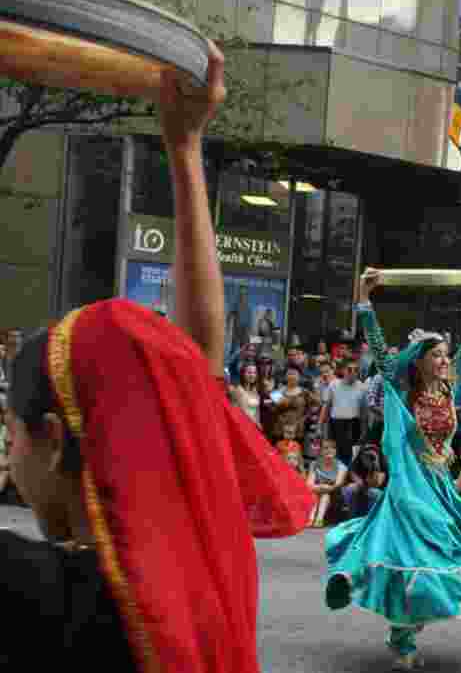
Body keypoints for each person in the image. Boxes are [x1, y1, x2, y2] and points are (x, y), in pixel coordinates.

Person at [0, 43, 313, 671]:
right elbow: (193, 362)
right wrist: (185, 149)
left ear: (53, 439)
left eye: (11, 435)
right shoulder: (194, 584)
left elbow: (193, 364)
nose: (9, 460)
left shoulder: (32, 593)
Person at [324, 264, 461, 671]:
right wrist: (363, 300)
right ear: (421, 359)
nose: (446, 361)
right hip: (409, 485)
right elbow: (376, 343)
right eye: (438, 355)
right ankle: (405, 638)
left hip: (440, 482)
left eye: (447, 355)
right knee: (411, 550)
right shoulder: (401, 384)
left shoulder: (451, 383)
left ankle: (415, 621)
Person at [320, 359, 365, 466]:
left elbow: (363, 411)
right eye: (349, 369)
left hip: (354, 424)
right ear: (343, 370)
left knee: (351, 455)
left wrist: (364, 429)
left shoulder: (362, 387)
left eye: (356, 370)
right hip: (336, 424)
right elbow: (327, 406)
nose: (353, 373)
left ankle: (347, 477)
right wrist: (320, 425)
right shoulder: (334, 385)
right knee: (334, 453)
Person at [308, 440, 345, 528]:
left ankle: (319, 519)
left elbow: (338, 484)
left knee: (325, 494)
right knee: (315, 494)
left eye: (333, 448)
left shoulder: (341, 466)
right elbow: (309, 484)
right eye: (326, 448)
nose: (330, 450)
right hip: (318, 491)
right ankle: (311, 519)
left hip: (335, 495)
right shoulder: (314, 464)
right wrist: (320, 487)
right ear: (321, 451)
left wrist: (325, 487)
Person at [230, 362, 263, 428]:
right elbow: (240, 412)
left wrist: (258, 423)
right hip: (242, 426)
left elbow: (257, 411)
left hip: (254, 426)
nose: (252, 375)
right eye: (249, 372)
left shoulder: (255, 390)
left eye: (254, 373)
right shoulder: (238, 390)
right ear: (243, 374)